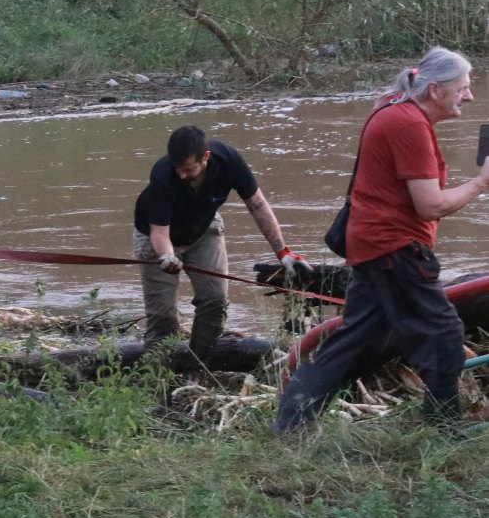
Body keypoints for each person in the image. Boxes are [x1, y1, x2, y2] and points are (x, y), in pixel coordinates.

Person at [276, 48, 489, 431]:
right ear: (436, 90)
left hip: (373, 246)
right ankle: (445, 428)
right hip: (397, 249)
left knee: (357, 342)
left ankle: (291, 424)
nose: (469, 97)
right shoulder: (409, 124)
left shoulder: (393, 105)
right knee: (442, 336)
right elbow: (430, 206)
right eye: (463, 88)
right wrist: (482, 182)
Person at [133, 125, 310, 362]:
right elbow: (159, 233)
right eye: (177, 169)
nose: (181, 176)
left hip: (203, 229)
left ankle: (196, 366)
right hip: (157, 239)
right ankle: (156, 375)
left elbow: (257, 205)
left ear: (205, 157)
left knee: (215, 302)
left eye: (188, 169)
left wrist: (283, 252)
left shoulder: (229, 160)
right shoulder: (162, 175)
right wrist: (167, 257)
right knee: (162, 317)